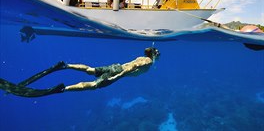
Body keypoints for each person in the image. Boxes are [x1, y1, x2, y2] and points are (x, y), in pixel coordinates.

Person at [0, 47, 160, 97]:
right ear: (153, 55)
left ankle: (65, 65)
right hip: (117, 73)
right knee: (91, 85)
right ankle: (63, 89)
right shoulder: (147, 61)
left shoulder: (142, 56)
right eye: (157, 54)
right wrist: (116, 77)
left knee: (90, 70)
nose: (158, 56)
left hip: (115, 66)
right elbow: (130, 69)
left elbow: (131, 64)